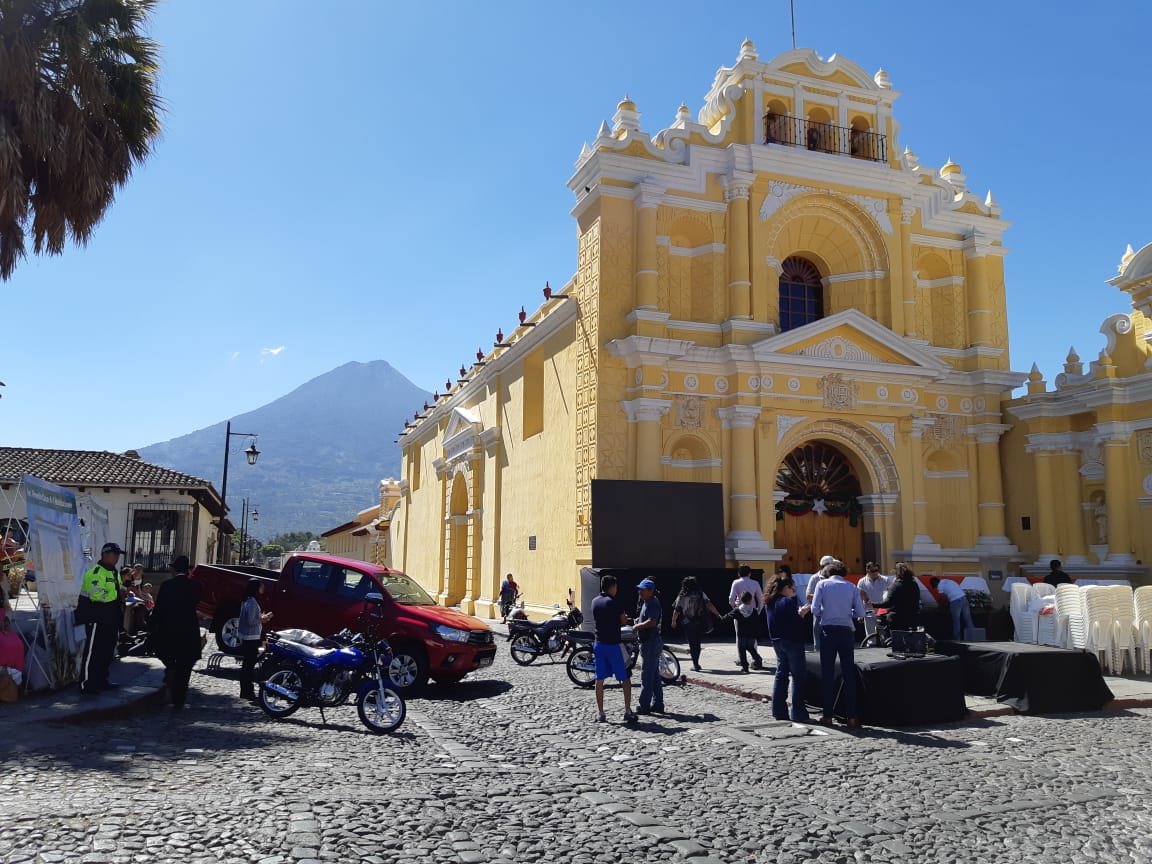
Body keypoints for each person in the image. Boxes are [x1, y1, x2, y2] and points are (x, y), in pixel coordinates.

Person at [810, 563, 866, 728]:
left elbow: (815, 610)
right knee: (848, 674)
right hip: (846, 632)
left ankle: (828, 715)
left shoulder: (822, 584)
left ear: (828, 572)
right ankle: (852, 716)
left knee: (827, 674)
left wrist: (826, 611)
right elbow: (861, 613)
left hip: (828, 631)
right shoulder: (851, 587)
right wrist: (848, 612)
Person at [149, 555, 203, 709]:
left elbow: (159, 609)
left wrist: (153, 626)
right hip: (188, 630)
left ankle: (171, 673)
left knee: (169, 656)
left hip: (169, 629)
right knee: (185, 667)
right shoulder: (196, 586)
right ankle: (179, 699)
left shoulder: (167, 585)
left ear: (173, 569)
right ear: (188, 570)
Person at [79, 542, 127, 694]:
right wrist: (118, 594)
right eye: (115, 554)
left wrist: (124, 591)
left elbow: (119, 588)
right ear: (105, 554)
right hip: (97, 619)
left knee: (106, 652)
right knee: (93, 652)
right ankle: (86, 683)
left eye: (119, 554)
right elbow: (97, 595)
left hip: (111, 619)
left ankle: (101, 680)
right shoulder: (96, 572)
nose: (118, 557)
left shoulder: (113, 572)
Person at [764, 573, 810, 722]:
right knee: (797, 676)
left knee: (781, 674)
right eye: (793, 588)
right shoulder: (788, 602)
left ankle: (778, 710)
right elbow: (795, 622)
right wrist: (802, 614)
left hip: (777, 641)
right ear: (786, 588)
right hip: (792, 641)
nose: (794, 591)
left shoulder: (769, 602)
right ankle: (798, 713)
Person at [591, 574, 636, 723]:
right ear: (612, 587)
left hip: (599, 644)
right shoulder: (615, 602)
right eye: (615, 587)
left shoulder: (594, 602)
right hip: (614, 645)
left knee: (599, 679)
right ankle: (627, 710)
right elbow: (623, 620)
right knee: (625, 677)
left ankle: (601, 713)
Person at [671, 575, 720, 672]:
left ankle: (695, 664)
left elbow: (677, 609)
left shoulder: (682, 595)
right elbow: (709, 604)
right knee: (697, 643)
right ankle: (696, 662)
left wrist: (673, 620)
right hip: (699, 621)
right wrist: (717, 614)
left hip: (687, 622)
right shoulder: (700, 594)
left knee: (691, 643)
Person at [237, 578, 273, 700]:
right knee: (249, 665)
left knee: (247, 665)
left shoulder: (247, 600)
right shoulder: (252, 602)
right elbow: (251, 621)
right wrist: (263, 618)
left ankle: (245, 690)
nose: (262, 589)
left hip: (247, 636)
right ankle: (248, 691)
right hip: (251, 637)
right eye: (260, 586)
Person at [633, 578, 664, 715]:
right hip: (648, 642)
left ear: (651, 591)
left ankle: (644, 705)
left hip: (651, 643)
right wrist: (638, 621)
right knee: (654, 675)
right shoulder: (647, 602)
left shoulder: (653, 603)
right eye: (639, 589)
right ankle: (658, 704)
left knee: (647, 675)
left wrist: (638, 626)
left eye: (643, 589)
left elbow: (652, 622)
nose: (640, 591)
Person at [728, 565, 764, 669]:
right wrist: (758, 611)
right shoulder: (755, 583)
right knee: (753, 636)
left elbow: (731, 598)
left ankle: (741, 659)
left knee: (739, 636)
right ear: (750, 573)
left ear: (739, 573)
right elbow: (761, 599)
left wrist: (735, 608)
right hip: (752, 611)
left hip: (740, 611)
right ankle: (755, 660)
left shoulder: (736, 583)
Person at [722, 591, 763, 672]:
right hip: (751, 634)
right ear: (751, 600)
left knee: (742, 651)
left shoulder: (737, 610)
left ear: (741, 599)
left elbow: (727, 617)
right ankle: (757, 659)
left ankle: (745, 668)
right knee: (751, 649)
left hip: (741, 634)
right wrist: (758, 634)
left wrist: (721, 618)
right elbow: (758, 624)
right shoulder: (754, 611)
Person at [806, 555, 837, 651]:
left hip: (833, 612)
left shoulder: (835, 578)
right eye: (831, 565)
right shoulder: (815, 578)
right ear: (824, 566)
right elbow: (808, 595)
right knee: (819, 639)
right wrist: (822, 596)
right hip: (819, 612)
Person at [930, 577, 973, 641]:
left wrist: (941, 606)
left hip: (955, 601)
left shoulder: (939, 586)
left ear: (935, 583)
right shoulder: (947, 581)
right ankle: (974, 638)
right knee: (968, 619)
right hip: (963, 598)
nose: (936, 588)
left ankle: (957, 640)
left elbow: (943, 599)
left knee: (956, 622)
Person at [882, 563, 921, 632]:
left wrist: (873, 604)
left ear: (897, 574)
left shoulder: (896, 585)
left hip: (897, 619)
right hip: (912, 618)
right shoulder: (914, 585)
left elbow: (888, 603)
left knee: (897, 640)